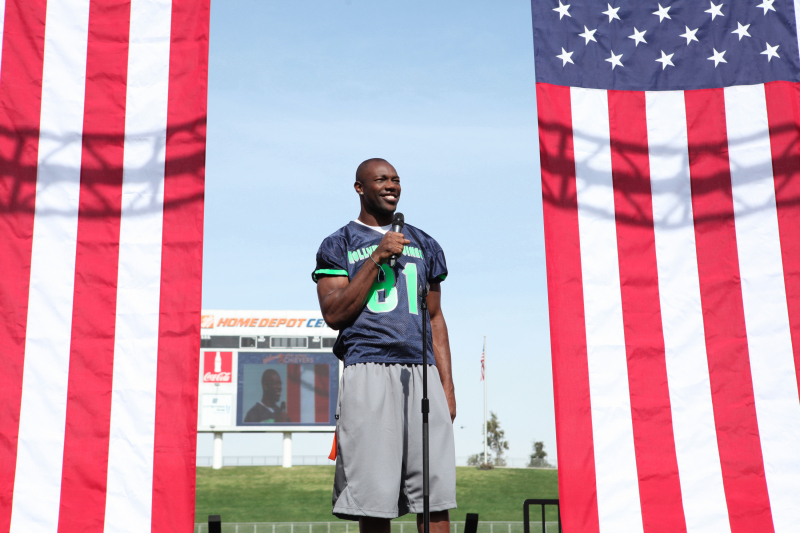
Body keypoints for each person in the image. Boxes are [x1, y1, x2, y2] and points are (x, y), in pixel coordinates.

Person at [312, 158, 456, 533]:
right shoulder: (338, 244)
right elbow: (334, 313)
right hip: (368, 367)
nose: (391, 185)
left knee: (435, 496)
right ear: (359, 187)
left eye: (395, 179)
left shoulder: (425, 243)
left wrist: (447, 387)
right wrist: (376, 256)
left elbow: (435, 318)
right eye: (381, 179)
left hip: (422, 371)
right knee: (374, 500)